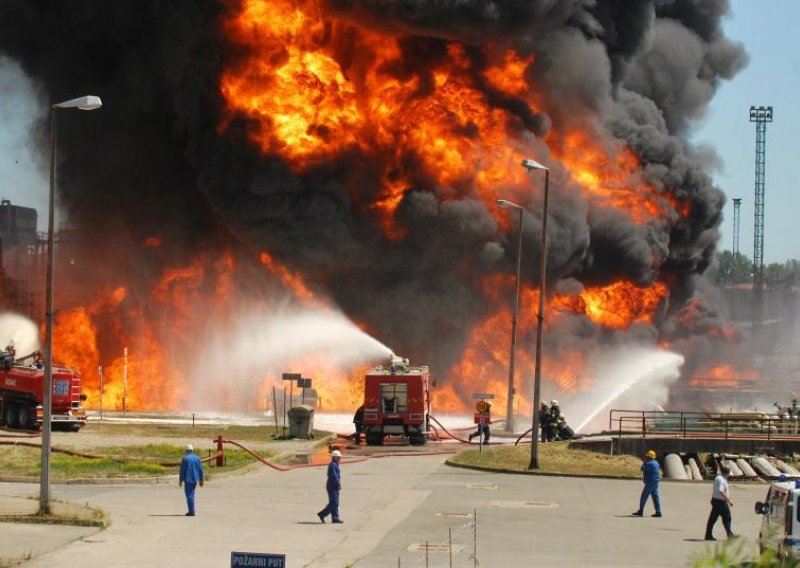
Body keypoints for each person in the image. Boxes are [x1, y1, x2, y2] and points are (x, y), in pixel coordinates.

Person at [705, 464, 735, 540]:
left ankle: (709, 535)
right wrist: (729, 500)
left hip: (717, 501)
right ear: (727, 473)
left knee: (716, 519)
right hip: (720, 502)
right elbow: (721, 491)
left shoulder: (720, 478)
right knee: (726, 518)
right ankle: (729, 534)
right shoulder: (721, 479)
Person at [632, 450, 662, 517]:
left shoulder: (649, 464)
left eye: (646, 456)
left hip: (650, 482)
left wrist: (644, 463)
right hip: (656, 482)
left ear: (648, 457)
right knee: (655, 497)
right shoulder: (656, 463)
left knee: (644, 496)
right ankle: (658, 511)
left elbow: (642, 468)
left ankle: (641, 510)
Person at [318, 449, 343, 524]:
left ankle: (335, 518)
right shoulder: (333, 465)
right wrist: (338, 483)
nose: (339, 458)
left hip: (334, 485)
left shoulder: (335, 464)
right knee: (334, 502)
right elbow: (334, 476)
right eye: (338, 457)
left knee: (336, 502)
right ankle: (322, 514)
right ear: (334, 457)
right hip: (332, 485)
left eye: (339, 457)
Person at [179, 444, 204, 516]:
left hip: (188, 480)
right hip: (195, 479)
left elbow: (182, 470)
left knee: (189, 495)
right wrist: (201, 480)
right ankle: (191, 510)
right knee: (192, 494)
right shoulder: (197, 458)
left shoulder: (185, 459)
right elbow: (200, 469)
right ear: (192, 450)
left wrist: (180, 480)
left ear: (186, 450)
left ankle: (191, 511)